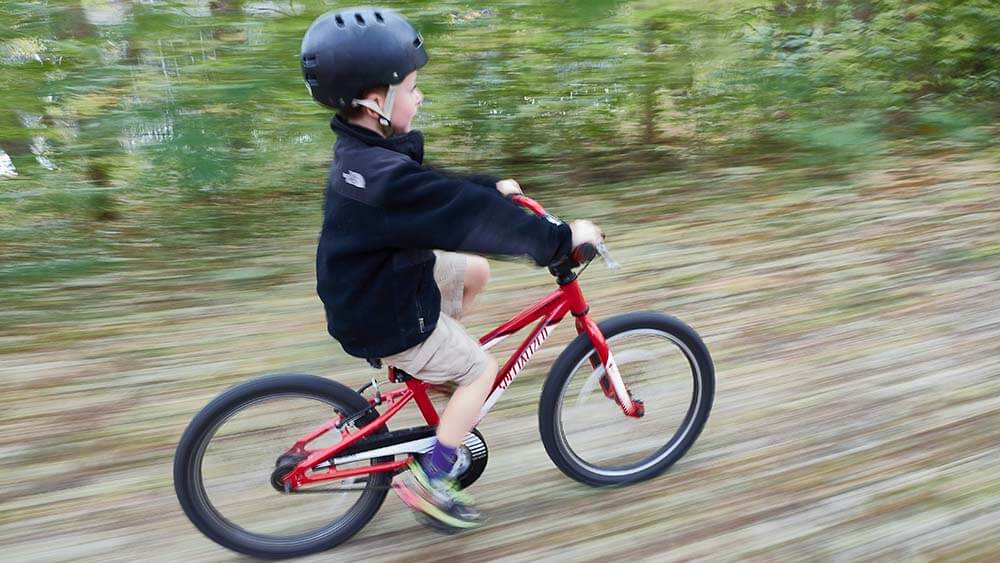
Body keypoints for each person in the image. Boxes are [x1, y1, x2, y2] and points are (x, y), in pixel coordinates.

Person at [301, 7, 603, 531]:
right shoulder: (384, 178)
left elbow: (440, 194)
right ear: (376, 102)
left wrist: (490, 187)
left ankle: (431, 370)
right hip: (384, 311)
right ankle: (433, 477)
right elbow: (461, 217)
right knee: (481, 371)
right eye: (413, 87)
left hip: (373, 283)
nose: (420, 97)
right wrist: (558, 242)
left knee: (473, 270)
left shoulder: (365, 154)